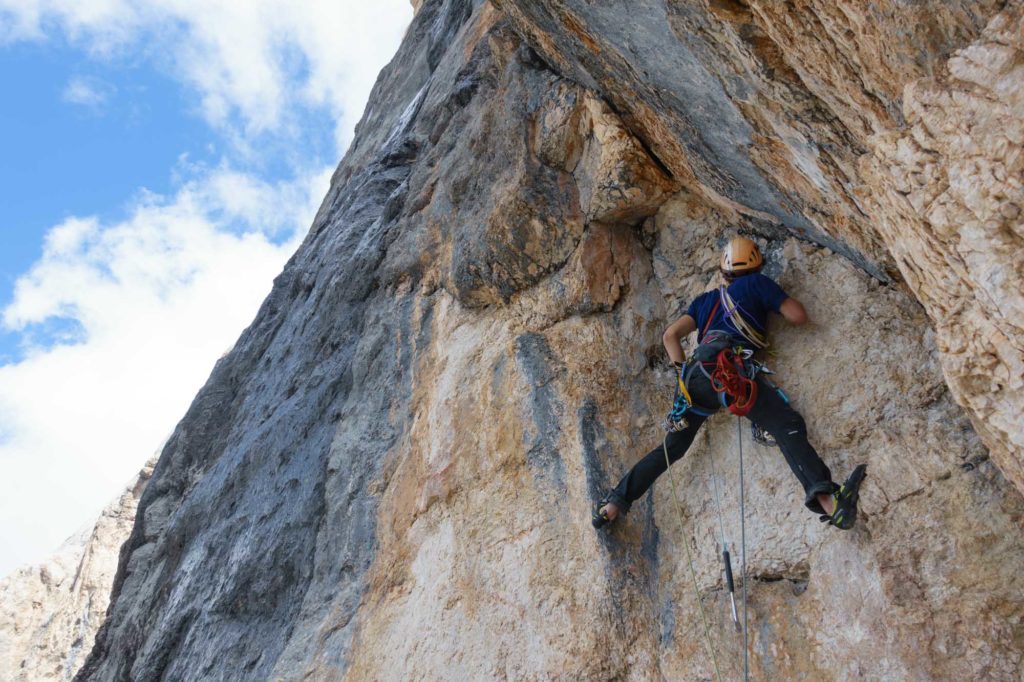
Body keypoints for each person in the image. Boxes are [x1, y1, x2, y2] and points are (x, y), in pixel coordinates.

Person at [593, 237, 866, 530]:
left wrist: (682, 376)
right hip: (728, 374)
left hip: (694, 379)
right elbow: (797, 316)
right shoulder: (757, 283)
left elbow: (670, 336)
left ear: (724, 273)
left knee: (671, 449)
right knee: (786, 423)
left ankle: (614, 504)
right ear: (757, 265)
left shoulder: (704, 301)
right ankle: (830, 502)